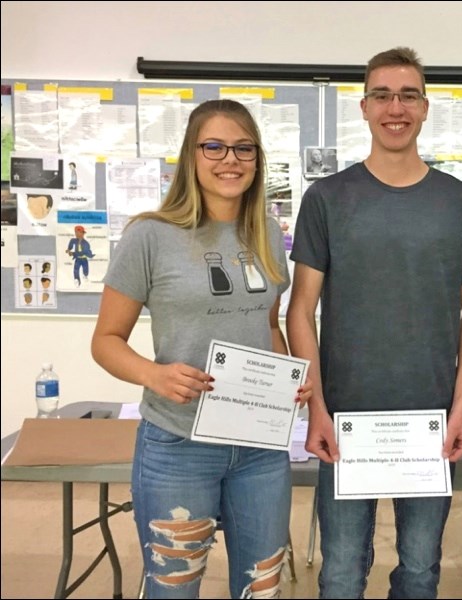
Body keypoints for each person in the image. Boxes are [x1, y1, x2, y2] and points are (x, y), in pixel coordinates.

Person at [287, 46, 462, 599]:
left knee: (422, 569)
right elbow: (300, 310)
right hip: (345, 422)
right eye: (382, 95)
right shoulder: (327, 198)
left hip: (430, 424)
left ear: (426, 107)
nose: (395, 107)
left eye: (408, 95)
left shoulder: (458, 202)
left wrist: (460, 408)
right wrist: (316, 409)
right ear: (363, 107)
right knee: (339, 571)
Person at [91, 99, 311, 599]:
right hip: (178, 445)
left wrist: (289, 377)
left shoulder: (268, 235)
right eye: (213, 146)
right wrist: (155, 375)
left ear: (257, 160)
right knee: (175, 589)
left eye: (243, 148)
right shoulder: (149, 236)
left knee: (263, 588)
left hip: (259, 445)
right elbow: (105, 341)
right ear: (190, 156)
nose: (229, 159)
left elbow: (268, 326)